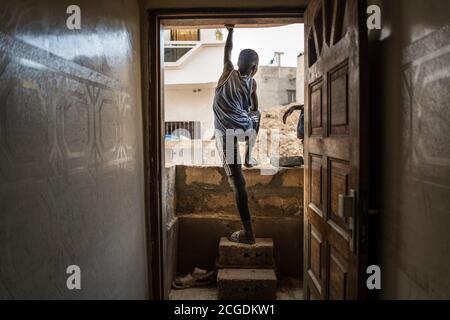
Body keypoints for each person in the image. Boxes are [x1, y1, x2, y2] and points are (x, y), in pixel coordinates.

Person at [212, 25, 260, 244]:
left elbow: (227, 51)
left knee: (238, 184)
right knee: (256, 117)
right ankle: (250, 154)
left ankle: (248, 232)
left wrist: (230, 31)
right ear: (255, 68)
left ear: (238, 64)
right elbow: (255, 109)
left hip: (226, 134)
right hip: (244, 127)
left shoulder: (227, 72)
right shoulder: (252, 83)